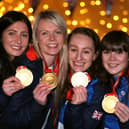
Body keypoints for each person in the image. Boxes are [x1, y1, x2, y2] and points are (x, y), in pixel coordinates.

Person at [0, 11, 43, 129]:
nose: (18, 41)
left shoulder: (28, 67)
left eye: (24, 35)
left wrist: (39, 103)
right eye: (12, 33)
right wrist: (3, 94)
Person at [63, 27, 106, 129]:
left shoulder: (99, 90)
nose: (79, 57)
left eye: (86, 52)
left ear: (95, 55)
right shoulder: (59, 78)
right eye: (73, 50)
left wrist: (75, 107)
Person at [31, 9, 68, 129]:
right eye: (45, 33)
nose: (52, 38)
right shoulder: (26, 70)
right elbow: (9, 120)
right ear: (36, 37)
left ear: (64, 36)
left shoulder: (67, 70)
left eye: (57, 32)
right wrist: (37, 105)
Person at [100, 30, 129, 129]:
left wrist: (127, 123)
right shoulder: (98, 83)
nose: (112, 58)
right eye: (106, 52)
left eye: (119, 52)